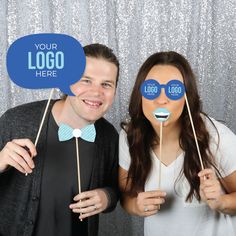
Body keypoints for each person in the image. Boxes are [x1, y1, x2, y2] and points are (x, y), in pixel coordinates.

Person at [0, 43, 120, 236]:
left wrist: (107, 197)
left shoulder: (109, 137)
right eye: (85, 80)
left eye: (106, 84)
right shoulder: (15, 121)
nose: (96, 92)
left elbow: (116, 188)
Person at [119, 51, 236, 236]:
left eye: (174, 91)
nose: (161, 99)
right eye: (151, 89)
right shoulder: (130, 136)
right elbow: (125, 195)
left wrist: (221, 202)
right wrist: (136, 206)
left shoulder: (216, 137)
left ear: (186, 98)